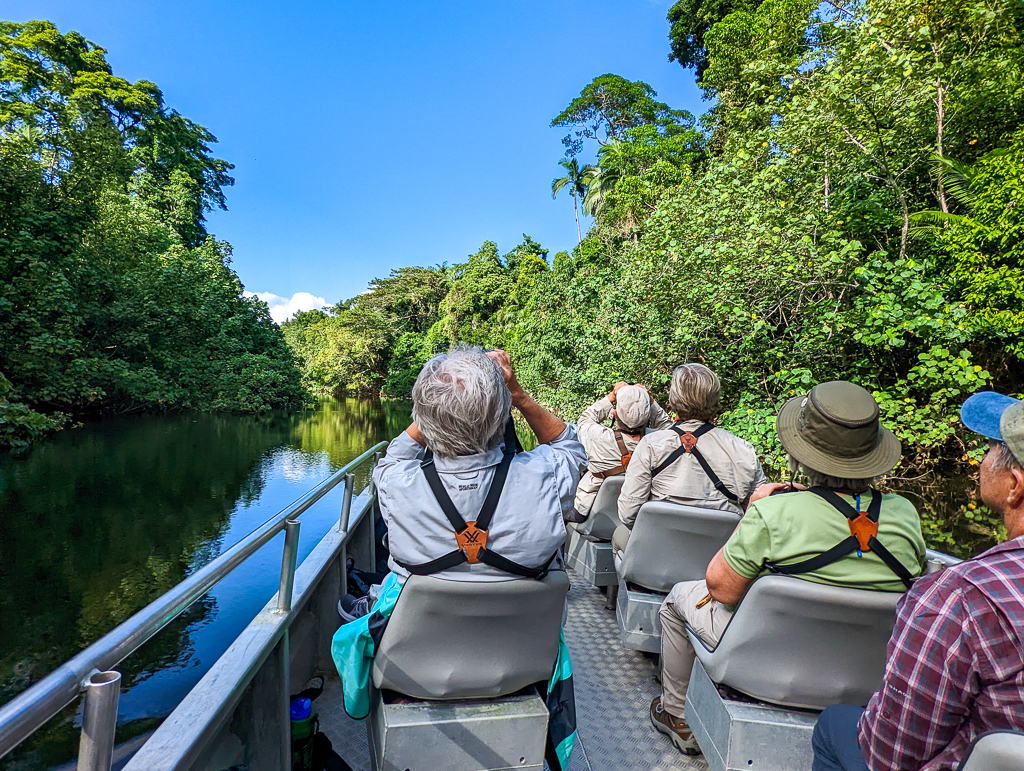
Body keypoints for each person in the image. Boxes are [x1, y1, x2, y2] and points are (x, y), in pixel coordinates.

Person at [651, 381, 926, 756]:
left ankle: (678, 715)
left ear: (802, 453)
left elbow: (722, 588)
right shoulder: (906, 515)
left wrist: (752, 511)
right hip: (859, 677)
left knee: (679, 598)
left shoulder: (773, 511)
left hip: (763, 665)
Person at [812, 390, 1024, 771]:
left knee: (833, 725)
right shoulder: (905, 515)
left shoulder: (962, 595)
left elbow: (890, 755)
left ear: (1014, 485)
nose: (981, 459)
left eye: (992, 447)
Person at [339, 345, 587, 622]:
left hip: (421, 647)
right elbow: (568, 445)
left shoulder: (395, 481)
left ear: (424, 415)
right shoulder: (547, 475)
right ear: (502, 414)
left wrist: (441, 404)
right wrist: (515, 393)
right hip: (527, 648)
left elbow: (397, 453)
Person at [613, 363, 766, 553]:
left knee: (619, 535)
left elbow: (628, 513)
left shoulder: (651, 444)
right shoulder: (743, 450)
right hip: (719, 560)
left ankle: (632, 584)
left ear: (673, 399)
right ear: (715, 399)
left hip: (660, 555)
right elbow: (759, 514)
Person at [572, 381, 673, 521]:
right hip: (639, 518)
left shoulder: (598, 438)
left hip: (590, 514)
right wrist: (649, 400)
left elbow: (585, 420)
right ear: (648, 415)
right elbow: (669, 428)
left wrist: (612, 396)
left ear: (615, 414)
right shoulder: (660, 441)